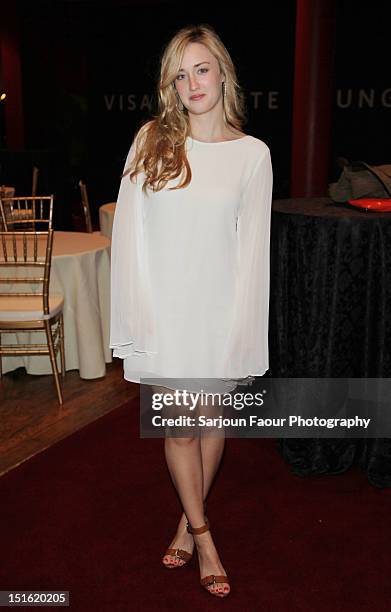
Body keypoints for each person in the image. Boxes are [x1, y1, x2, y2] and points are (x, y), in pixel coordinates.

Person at [110, 23, 273, 598]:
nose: (192, 83)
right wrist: (136, 314)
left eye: (201, 68)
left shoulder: (253, 155)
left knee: (210, 423)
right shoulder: (150, 139)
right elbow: (129, 235)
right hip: (167, 313)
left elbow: (254, 253)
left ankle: (184, 518)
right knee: (179, 429)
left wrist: (245, 334)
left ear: (223, 71)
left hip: (219, 312)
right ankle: (205, 537)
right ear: (170, 87)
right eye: (180, 75)